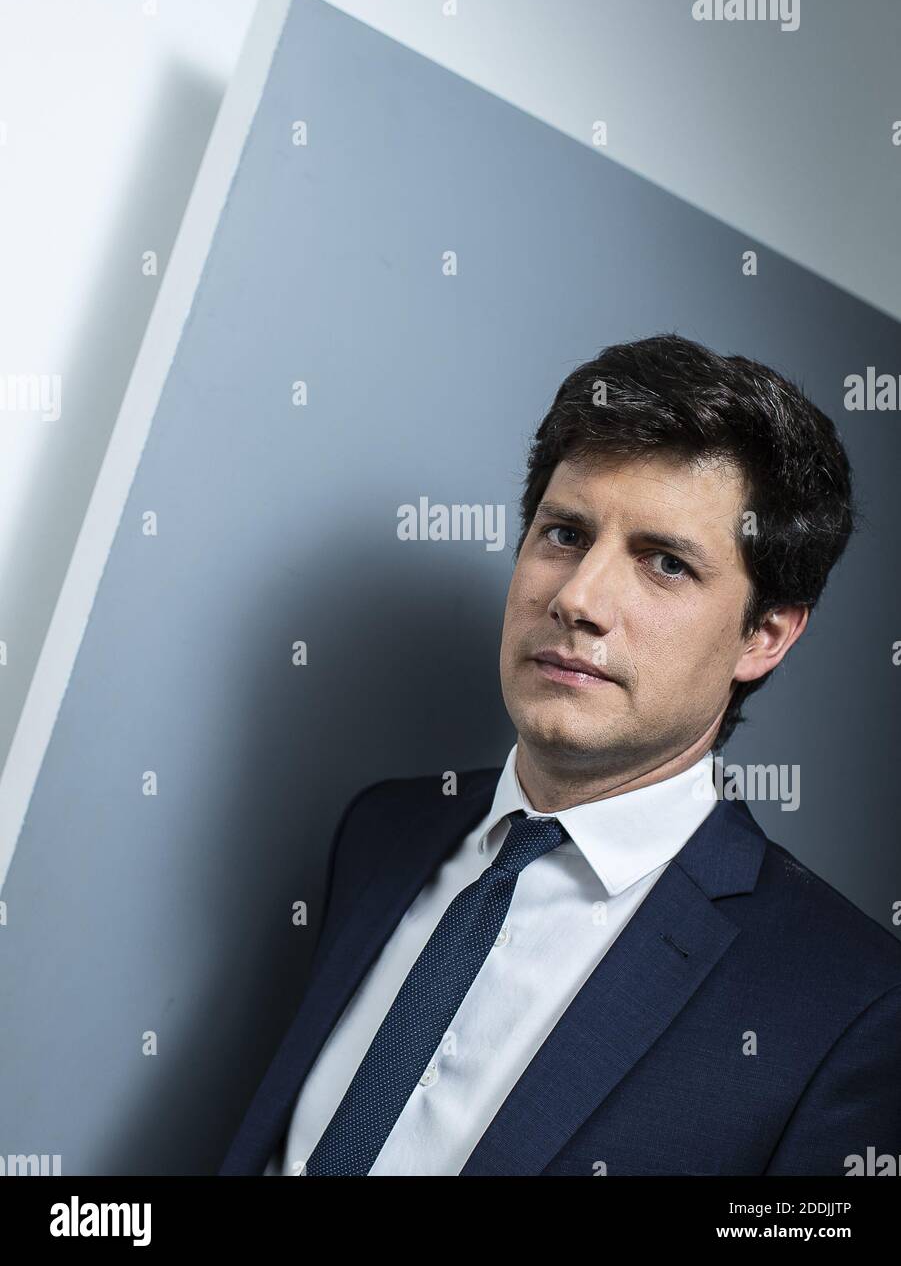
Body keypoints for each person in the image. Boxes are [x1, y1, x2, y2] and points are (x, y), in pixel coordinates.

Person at [219, 333, 901, 1176]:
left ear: (762, 635)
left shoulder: (849, 1003)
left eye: (663, 563)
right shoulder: (383, 830)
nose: (577, 598)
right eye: (565, 535)